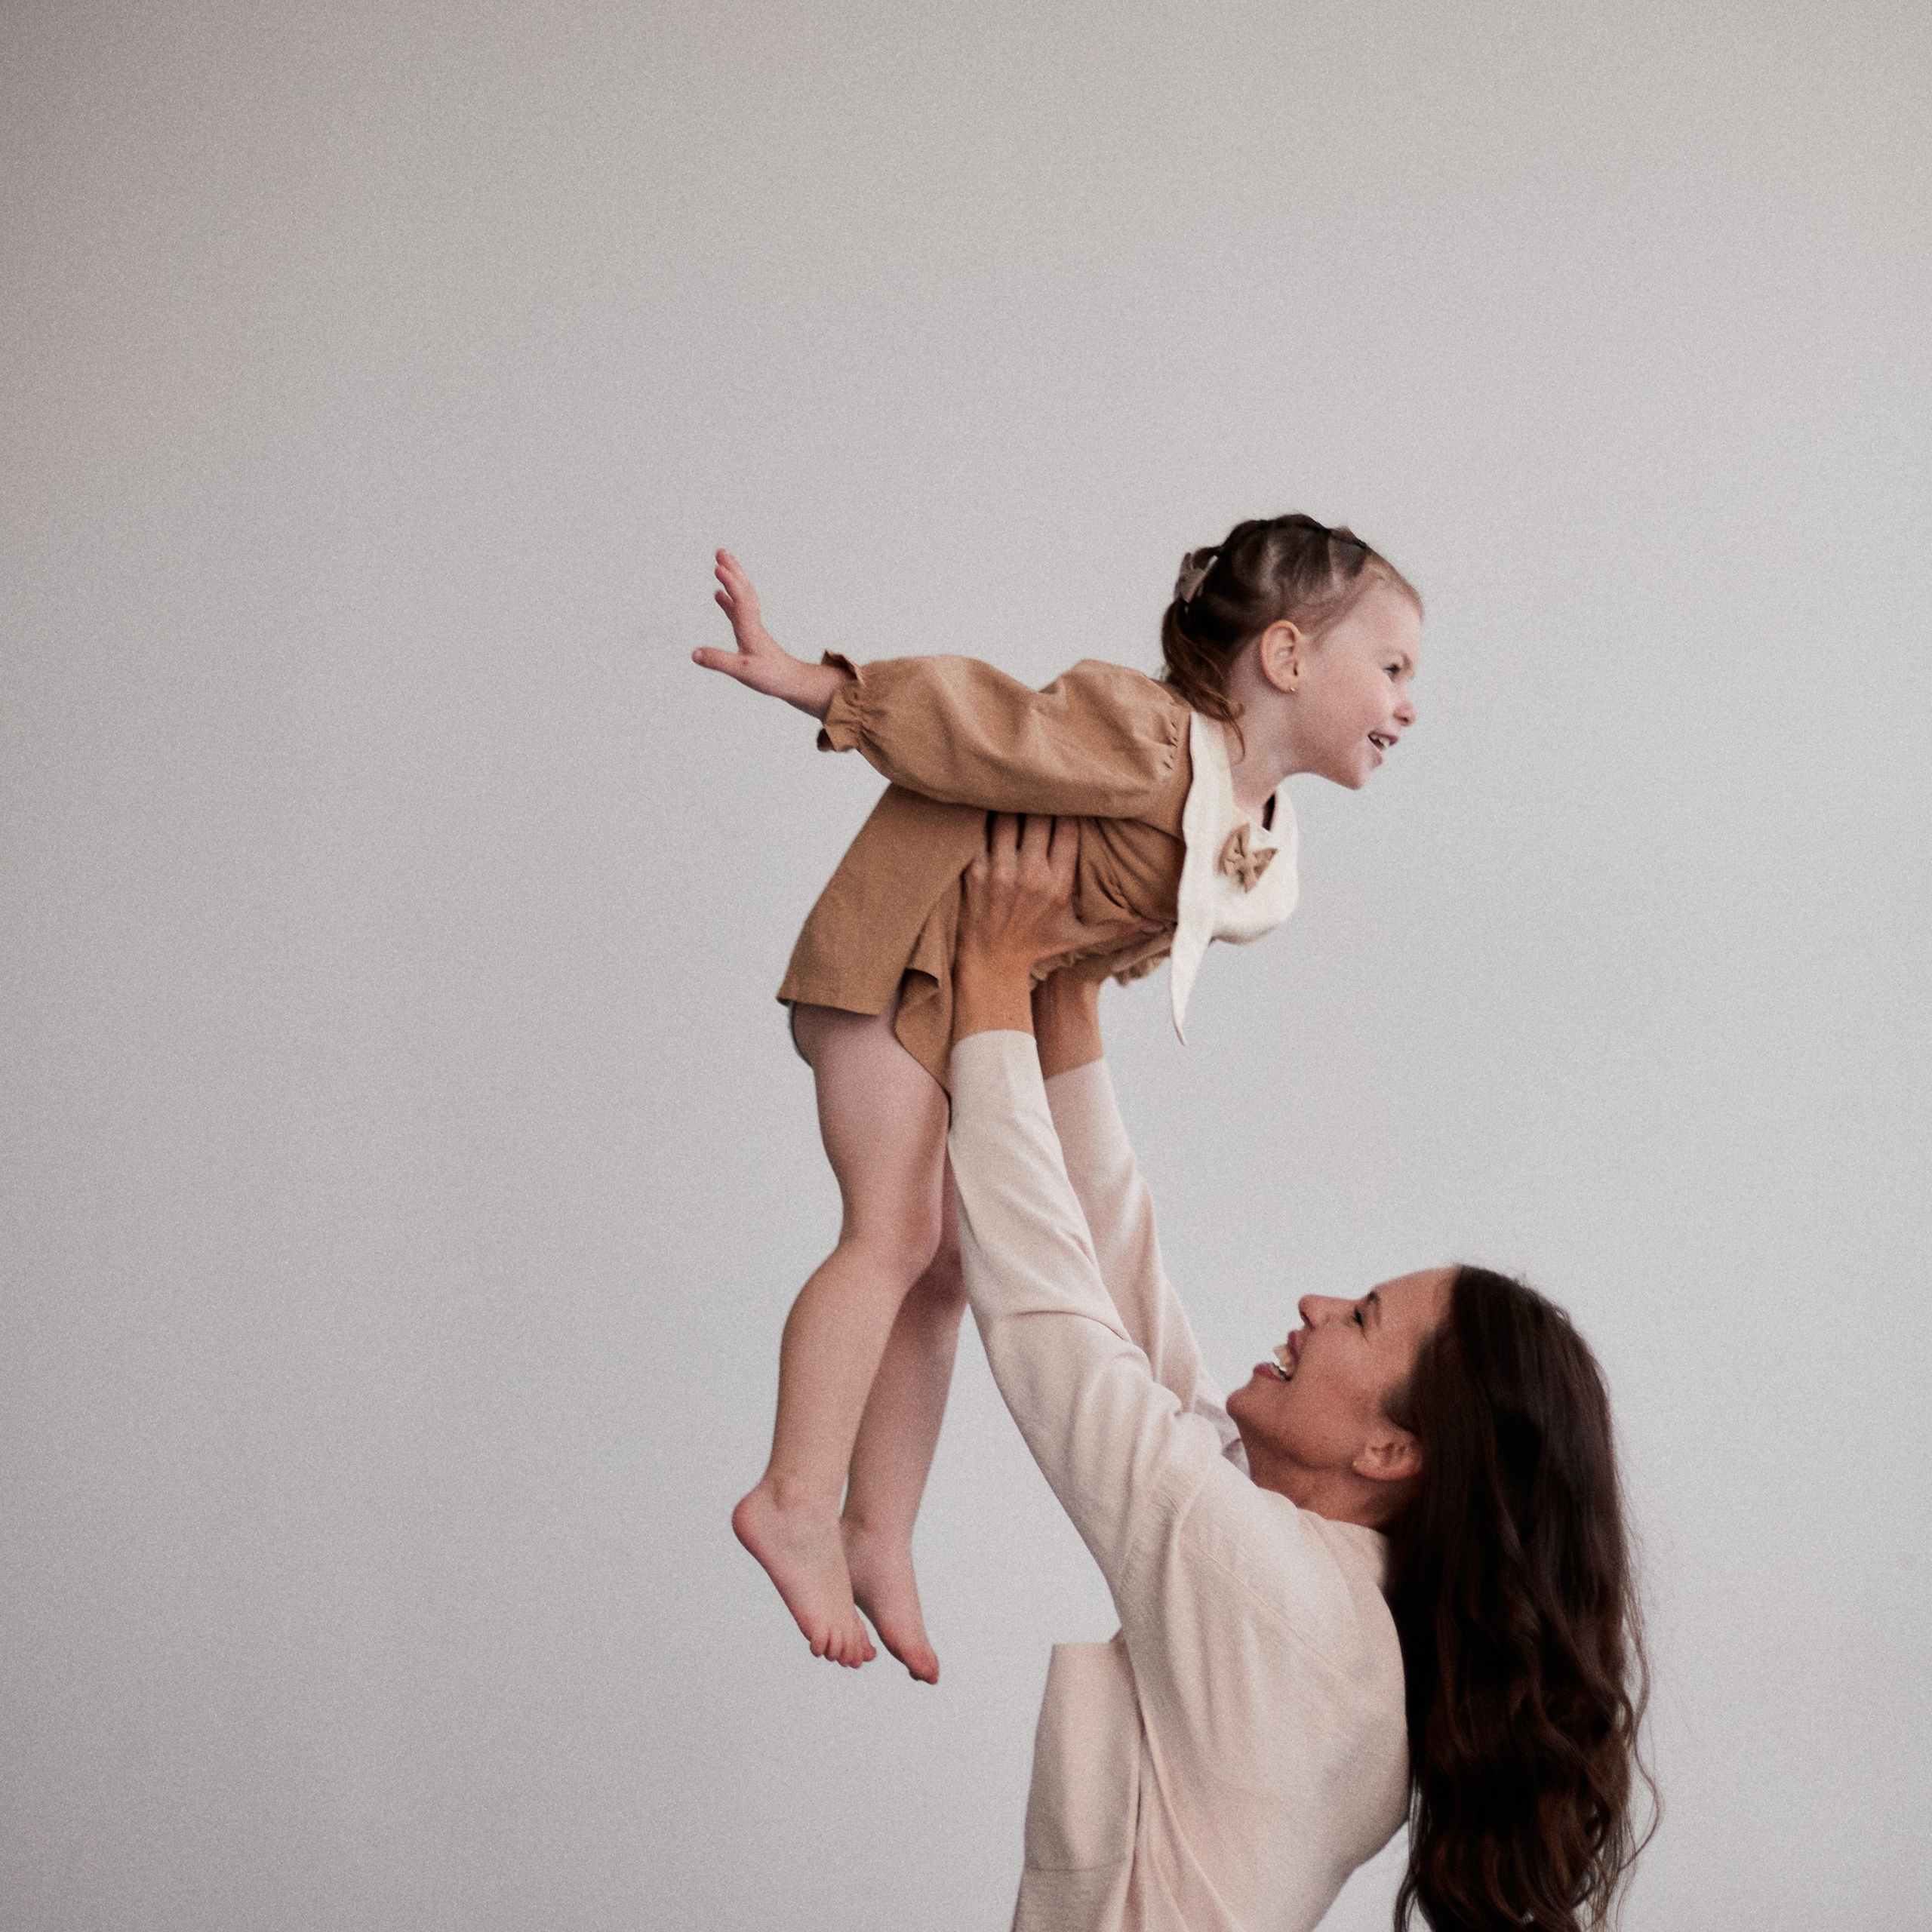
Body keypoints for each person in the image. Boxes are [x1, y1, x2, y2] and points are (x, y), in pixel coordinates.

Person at [693, 517, 1423, 1680]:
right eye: (1391, 668)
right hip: (897, 956)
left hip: (962, 993)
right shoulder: (1145, 736)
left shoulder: (1247, 832)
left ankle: (878, 1530)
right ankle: (791, 1497)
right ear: (1287, 656)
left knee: (949, 1267)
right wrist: (820, 686)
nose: (1407, 705)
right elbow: (981, 723)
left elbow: (1094, 944)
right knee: (893, 1234)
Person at [946, 814, 1651, 1932]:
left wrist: (988, 984)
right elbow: (1129, 1305)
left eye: (1361, 1318)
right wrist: (1064, 997)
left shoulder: (1276, 1604)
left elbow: (1058, 1334)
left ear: (1392, 1448)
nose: (1317, 1307)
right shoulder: (1329, 1604)